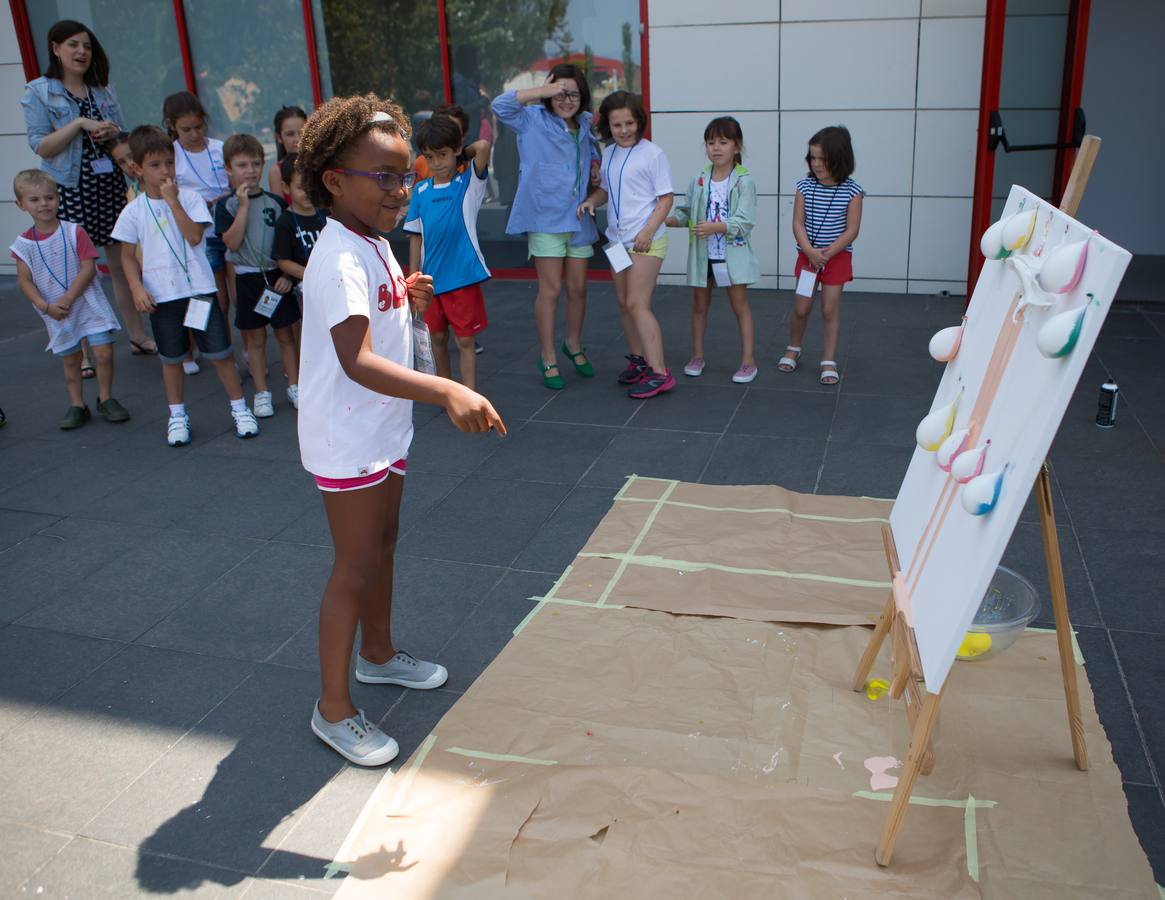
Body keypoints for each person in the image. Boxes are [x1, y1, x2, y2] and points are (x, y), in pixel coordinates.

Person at [295, 93, 505, 766]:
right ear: (334, 180)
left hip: (382, 429)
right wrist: (447, 388)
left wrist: (404, 290)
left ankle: (378, 655)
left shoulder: (371, 242)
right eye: (382, 176)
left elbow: (375, 318)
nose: (399, 189)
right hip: (347, 436)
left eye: (403, 174)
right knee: (354, 565)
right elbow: (355, 361)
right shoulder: (336, 255)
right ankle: (333, 708)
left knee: (382, 544)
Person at [111, 125, 257, 446]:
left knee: (220, 353)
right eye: (155, 165)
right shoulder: (133, 210)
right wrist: (137, 288)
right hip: (162, 296)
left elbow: (193, 236)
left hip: (199, 292)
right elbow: (126, 257)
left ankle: (240, 409)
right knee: (172, 359)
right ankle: (177, 415)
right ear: (137, 168)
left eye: (169, 163)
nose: (165, 171)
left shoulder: (189, 199)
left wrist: (173, 202)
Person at [20, 19, 157, 356]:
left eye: (87, 46)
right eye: (73, 45)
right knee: (75, 271)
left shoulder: (102, 89)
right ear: (55, 48)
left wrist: (112, 132)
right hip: (67, 188)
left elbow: (122, 135)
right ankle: (77, 346)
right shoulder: (38, 91)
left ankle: (137, 335)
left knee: (123, 264)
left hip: (108, 183)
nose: (81, 52)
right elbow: (41, 145)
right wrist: (79, 123)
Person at [491, 64, 599, 390]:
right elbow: (500, 105)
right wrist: (542, 91)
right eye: (559, 93)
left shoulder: (585, 125)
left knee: (578, 288)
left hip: (579, 220)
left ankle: (573, 344)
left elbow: (591, 156)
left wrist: (594, 166)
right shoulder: (532, 120)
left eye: (573, 94)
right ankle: (548, 355)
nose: (566, 100)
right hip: (545, 218)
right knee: (550, 290)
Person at [10, 169, 130, 429]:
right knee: (71, 359)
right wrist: (45, 306)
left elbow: (88, 268)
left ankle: (106, 398)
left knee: (104, 352)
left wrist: (68, 297)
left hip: (87, 301)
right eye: (35, 199)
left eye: (49, 197)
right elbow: (24, 280)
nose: (44, 204)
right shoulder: (23, 244)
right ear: (21, 205)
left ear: (58, 198)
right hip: (54, 309)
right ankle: (77, 404)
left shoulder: (75, 231)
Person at [579, 90, 675, 399]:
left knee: (637, 303)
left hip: (646, 241)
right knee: (624, 304)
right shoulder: (609, 153)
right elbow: (606, 191)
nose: (624, 130)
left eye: (629, 123)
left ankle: (660, 373)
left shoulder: (653, 154)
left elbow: (665, 199)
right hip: (618, 242)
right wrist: (591, 202)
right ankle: (640, 361)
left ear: (639, 122)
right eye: (617, 124)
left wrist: (648, 231)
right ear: (608, 124)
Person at [667, 116, 759, 384]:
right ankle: (697, 356)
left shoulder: (744, 181)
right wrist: (664, 220)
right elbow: (685, 213)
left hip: (730, 255)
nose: (716, 148)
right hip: (703, 255)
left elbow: (745, 221)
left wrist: (715, 227)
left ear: (737, 146)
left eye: (723, 142)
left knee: (739, 306)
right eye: (710, 142)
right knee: (699, 306)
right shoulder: (699, 178)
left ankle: (748, 361)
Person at [404, 116, 491, 390]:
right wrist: (413, 277)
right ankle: (447, 391)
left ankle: (471, 395)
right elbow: (415, 238)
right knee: (437, 339)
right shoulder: (420, 191)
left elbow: (484, 145)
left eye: (442, 154)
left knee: (465, 341)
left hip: (462, 277)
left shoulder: (469, 184)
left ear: (455, 149)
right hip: (430, 281)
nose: (436, 162)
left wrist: (460, 154)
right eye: (430, 157)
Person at [215, 134, 299, 415]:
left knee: (286, 334)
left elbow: (287, 243)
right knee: (255, 339)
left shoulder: (275, 202)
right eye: (241, 165)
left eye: (255, 163)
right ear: (228, 168)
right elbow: (232, 242)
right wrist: (243, 207)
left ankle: (295, 385)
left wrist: (290, 275)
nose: (250, 171)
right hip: (247, 278)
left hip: (277, 276)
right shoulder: (225, 206)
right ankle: (262, 392)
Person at [779, 125, 863, 386]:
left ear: (841, 159)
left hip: (835, 260)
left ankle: (828, 359)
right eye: (813, 157)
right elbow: (797, 223)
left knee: (829, 309)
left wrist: (826, 254)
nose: (816, 164)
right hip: (808, 258)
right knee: (801, 307)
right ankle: (794, 347)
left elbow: (852, 230)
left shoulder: (853, 191)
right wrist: (810, 252)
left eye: (823, 159)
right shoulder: (804, 186)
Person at [164, 91, 232, 340]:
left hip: (227, 227)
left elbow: (231, 182)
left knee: (234, 296)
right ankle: (205, 347)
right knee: (214, 298)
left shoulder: (218, 148)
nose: (194, 134)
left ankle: (232, 347)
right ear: (172, 126)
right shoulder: (171, 156)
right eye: (186, 129)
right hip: (200, 232)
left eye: (198, 127)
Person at [272, 153, 326, 292]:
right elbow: (283, 261)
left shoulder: (327, 213)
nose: (308, 191)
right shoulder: (285, 221)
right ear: (285, 188)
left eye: (311, 185)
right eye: (301, 187)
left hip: (332, 280)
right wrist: (311, 275)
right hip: (306, 287)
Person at [268, 105, 308, 201]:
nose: (297, 139)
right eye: (290, 134)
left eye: (302, 132)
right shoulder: (277, 171)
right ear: (279, 138)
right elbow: (279, 208)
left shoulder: (319, 163)